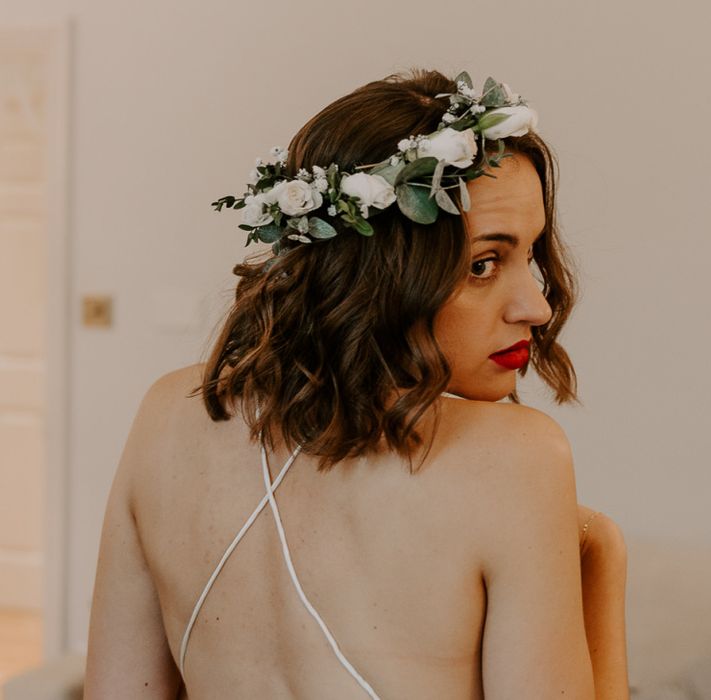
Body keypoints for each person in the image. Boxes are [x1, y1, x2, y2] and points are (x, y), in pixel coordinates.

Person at [84, 68, 629, 699]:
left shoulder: (166, 414)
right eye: (483, 264)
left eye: (529, 257)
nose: (535, 306)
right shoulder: (516, 458)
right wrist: (605, 560)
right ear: (378, 269)